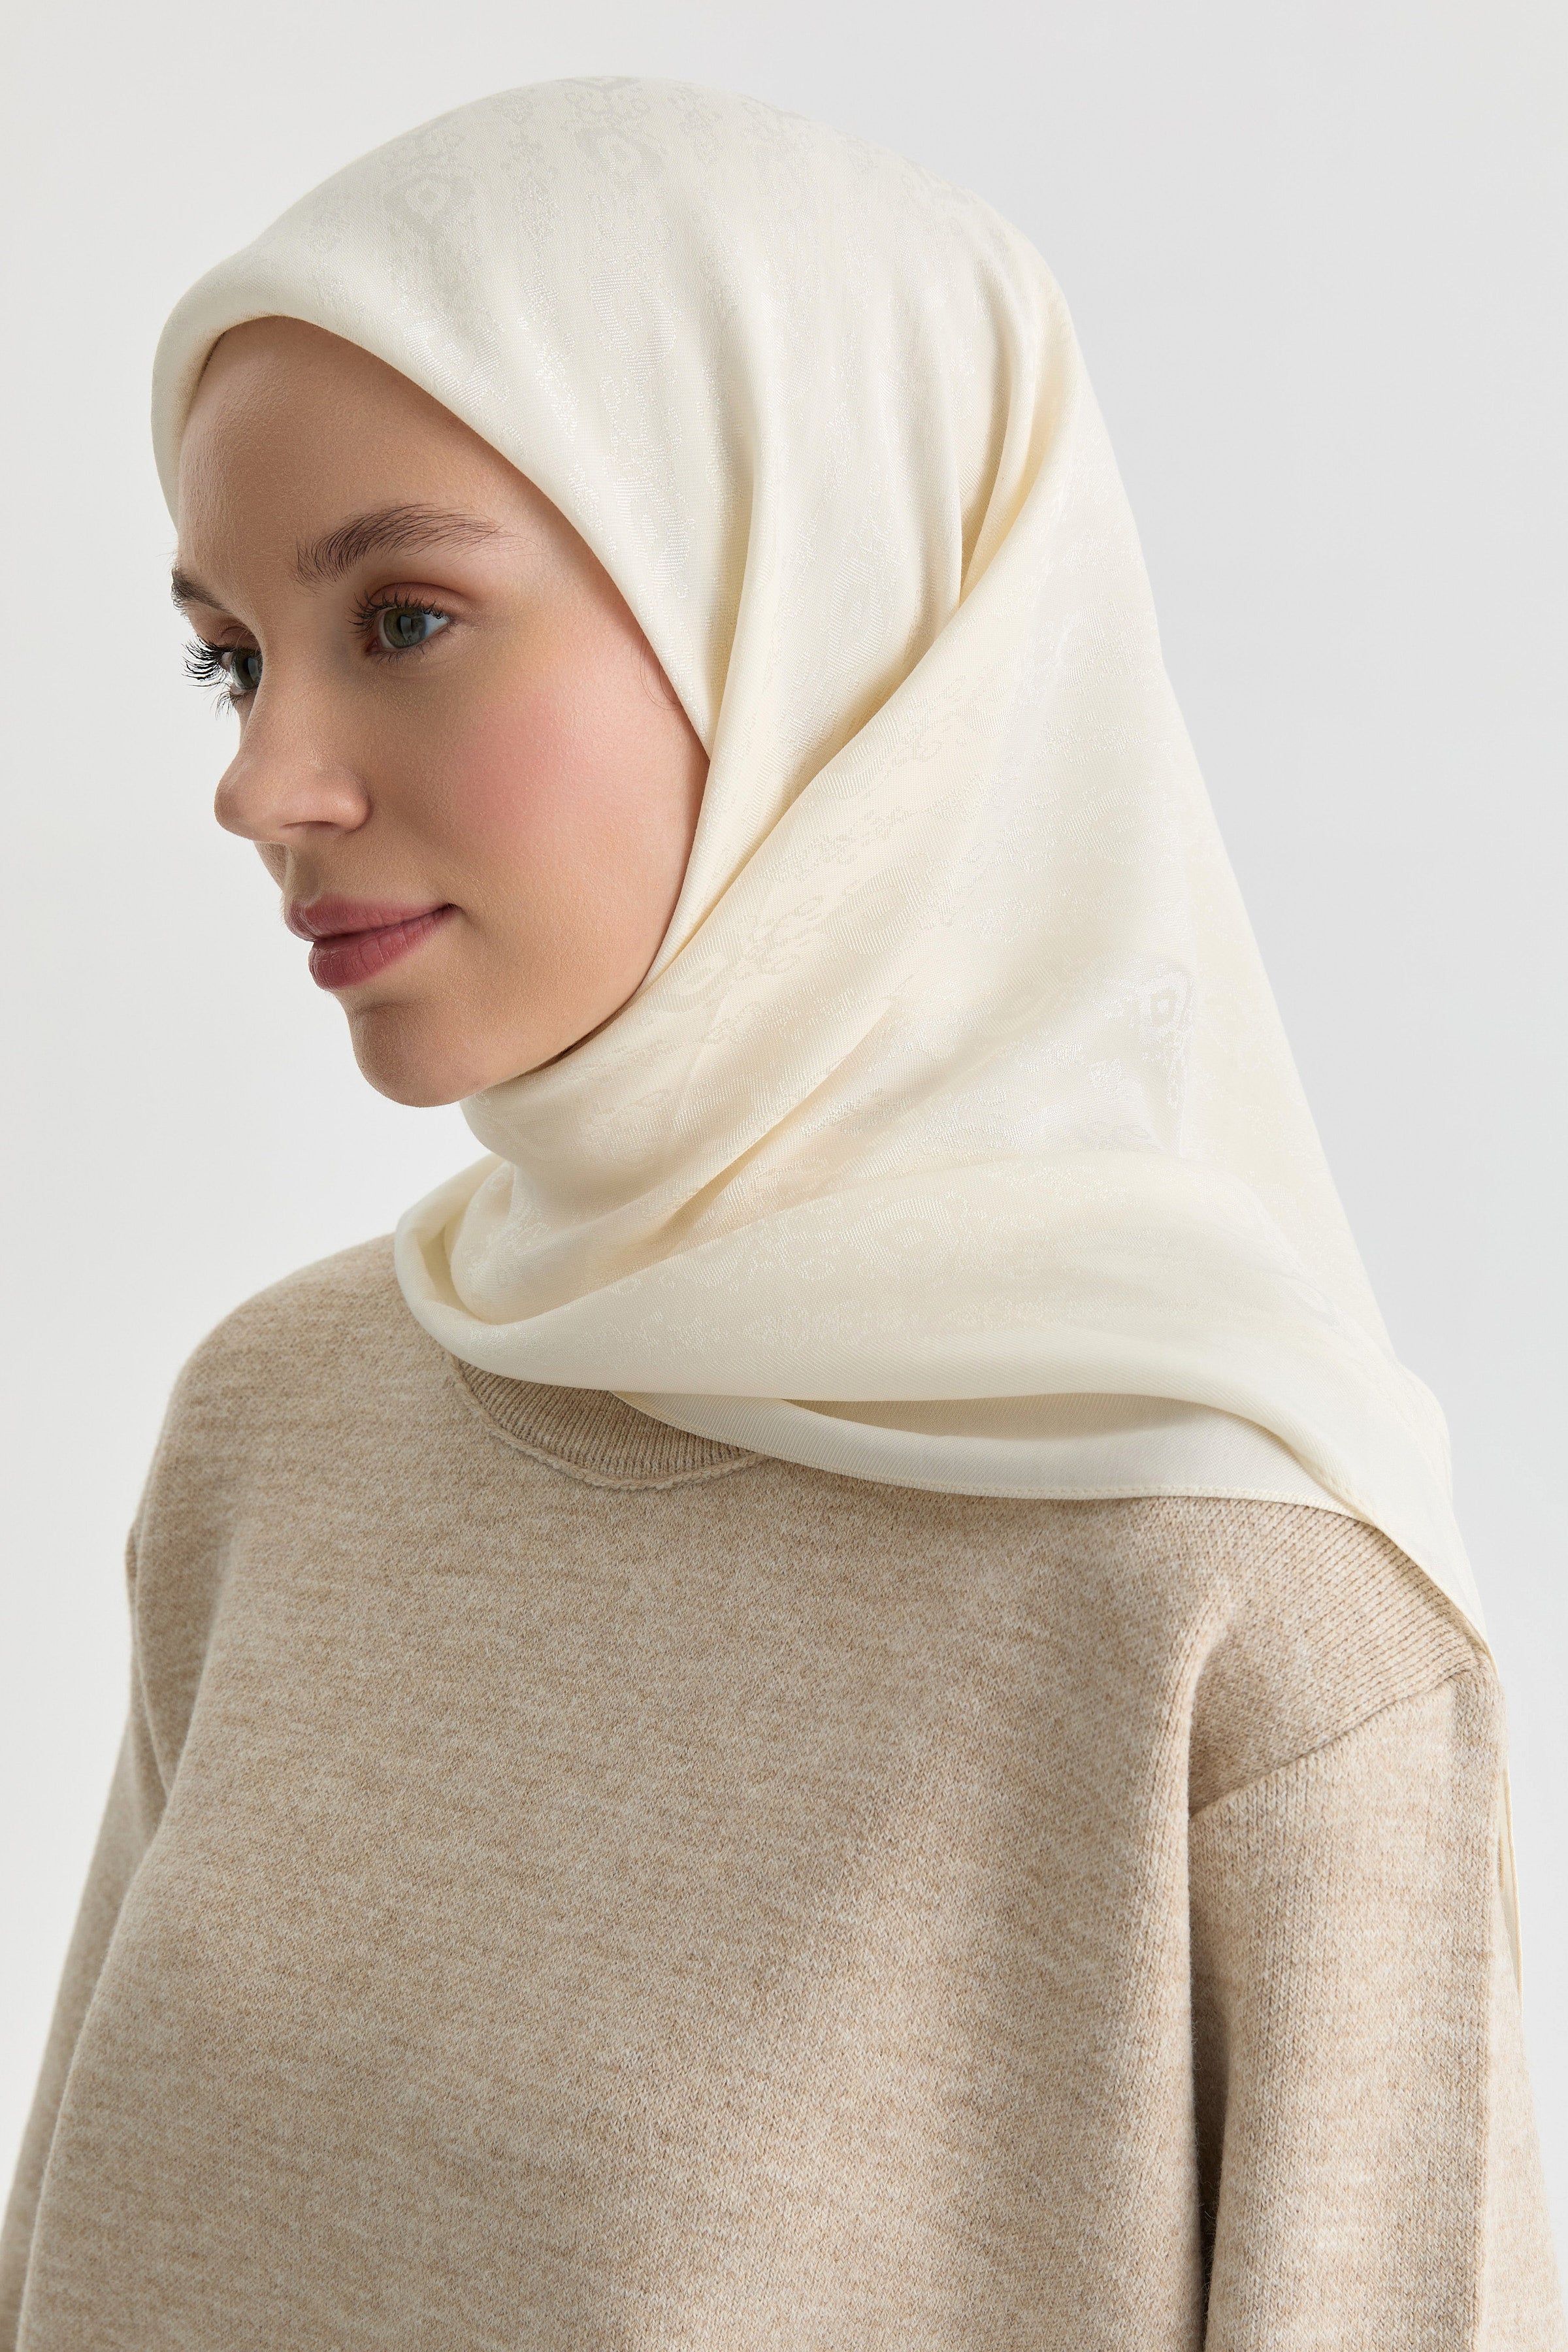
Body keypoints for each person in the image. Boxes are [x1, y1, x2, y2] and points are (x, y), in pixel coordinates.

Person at [2, 78, 1561, 2349]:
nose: (260, 781)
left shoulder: (1242, 1614)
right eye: (230, 655)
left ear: (813, 608)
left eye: (403, 618)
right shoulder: (282, 1431)